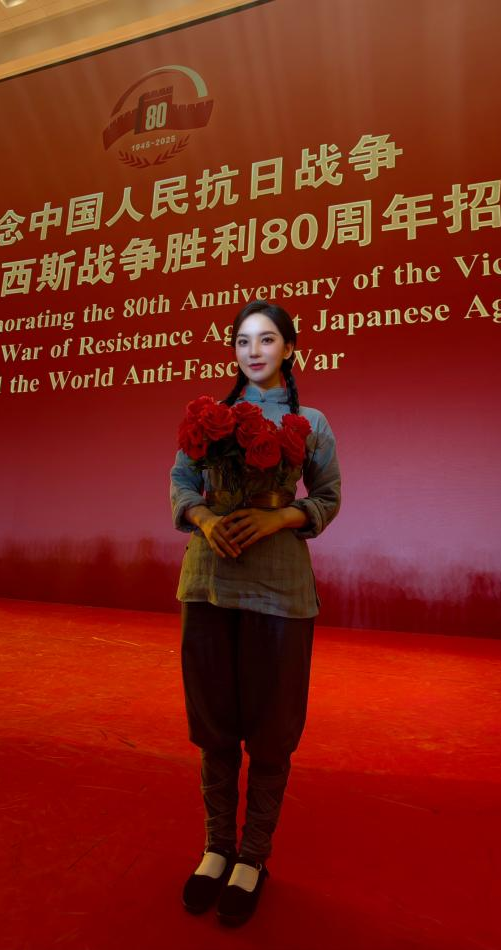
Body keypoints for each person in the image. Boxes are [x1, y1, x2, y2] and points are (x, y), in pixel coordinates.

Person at [169, 299, 341, 926]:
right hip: (208, 583)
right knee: (214, 724)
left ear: (289, 349)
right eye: (243, 340)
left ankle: (252, 857)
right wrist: (205, 518)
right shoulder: (206, 417)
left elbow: (328, 497)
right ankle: (217, 847)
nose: (254, 351)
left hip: (279, 590)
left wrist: (278, 518)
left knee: (270, 730)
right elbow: (181, 484)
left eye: (267, 339)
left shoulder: (311, 421)